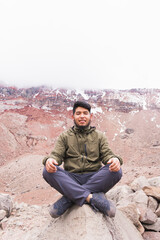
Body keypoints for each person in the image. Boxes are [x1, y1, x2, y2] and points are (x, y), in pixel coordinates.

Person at [42, 101, 123, 218]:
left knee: (116, 171)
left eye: (85, 113)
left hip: (95, 177)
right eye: (78, 113)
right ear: (73, 116)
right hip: (72, 178)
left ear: (90, 116)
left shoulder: (99, 136)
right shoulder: (65, 136)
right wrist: (50, 161)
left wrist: (114, 159)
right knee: (47, 171)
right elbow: (56, 155)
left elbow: (107, 155)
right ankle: (92, 197)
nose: (82, 116)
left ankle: (69, 198)